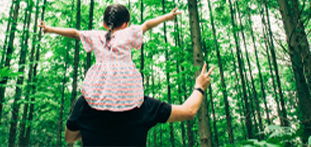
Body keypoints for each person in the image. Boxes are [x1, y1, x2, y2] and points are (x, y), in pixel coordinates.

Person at [38, 4, 181, 112]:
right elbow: (147, 24)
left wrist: (50, 29)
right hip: (126, 87)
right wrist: (167, 16)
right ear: (126, 24)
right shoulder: (129, 32)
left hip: (101, 88)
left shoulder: (96, 35)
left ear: (104, 24)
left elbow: (75, 33)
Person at [65, 63, 215, 146]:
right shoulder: (143, 105)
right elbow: (189, 111)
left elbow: (69, 137)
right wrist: (199, 86)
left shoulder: (85, 104)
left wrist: (95, 132)